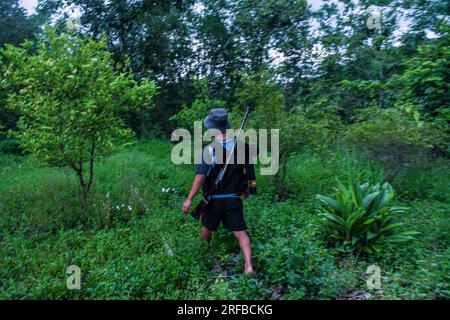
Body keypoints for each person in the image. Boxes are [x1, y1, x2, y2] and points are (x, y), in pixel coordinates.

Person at [181, 108, 257, 274]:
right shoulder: (242, 148)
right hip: (233, 198)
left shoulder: (209, 150)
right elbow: (250, 172)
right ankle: (248, 265)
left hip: (214, 199)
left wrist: (189, 199)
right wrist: (249, 189)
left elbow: (200, 177)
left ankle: (208, 252)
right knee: (241, 233)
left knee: (206, 229)